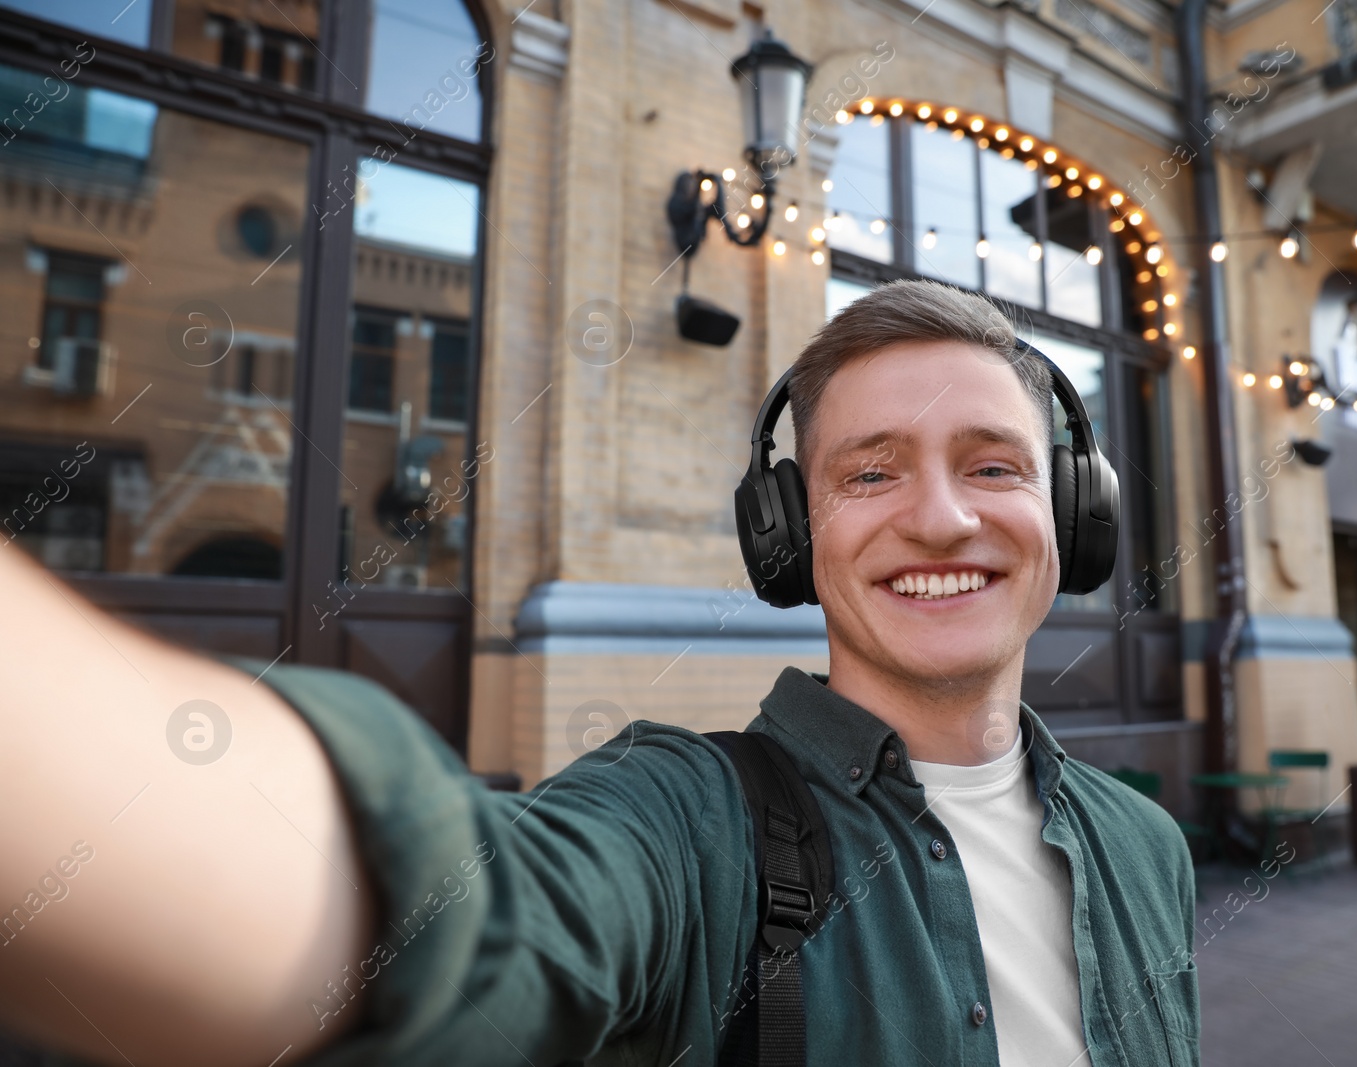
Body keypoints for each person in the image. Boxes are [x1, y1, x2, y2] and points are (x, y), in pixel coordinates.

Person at [0, 279, 1197, 1067]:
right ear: (789, 536)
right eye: (870, 473)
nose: (939, 518)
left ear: (1073, 518)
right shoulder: (684, 824)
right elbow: (475, 921)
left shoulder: (1147, 849)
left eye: (993, 466)